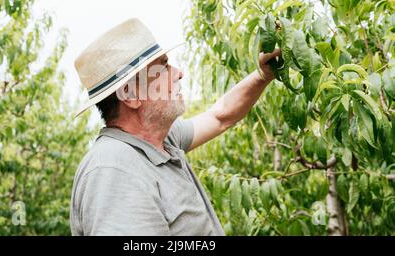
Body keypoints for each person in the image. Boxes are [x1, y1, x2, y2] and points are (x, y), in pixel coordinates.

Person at [70, 18, 281, 235]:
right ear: (132, 95)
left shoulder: (160, 141)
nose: (178, 73)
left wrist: (263, 75)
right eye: (163, 66)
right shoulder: (115, 170)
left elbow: (221, 117)